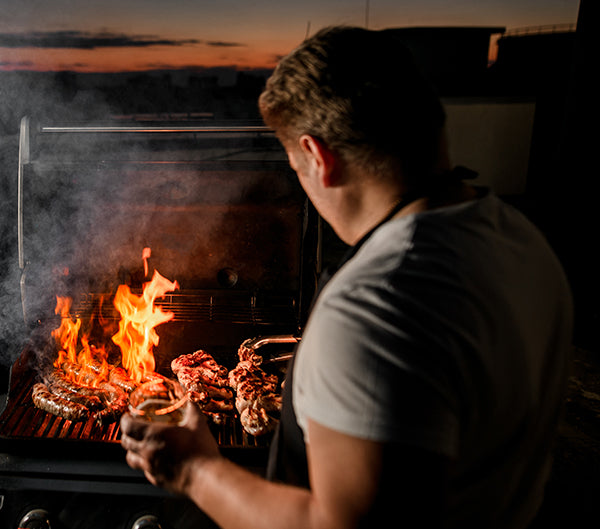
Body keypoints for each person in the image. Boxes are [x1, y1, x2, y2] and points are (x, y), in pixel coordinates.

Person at [121, 26, 573, 529]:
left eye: (295, 166)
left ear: (318, 157)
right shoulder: (524, 243)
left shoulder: (375, 306)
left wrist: (195, 471)